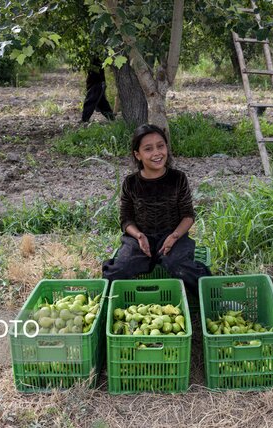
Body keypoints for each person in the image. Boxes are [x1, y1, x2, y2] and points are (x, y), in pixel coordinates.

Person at [102, 124, 211, 295]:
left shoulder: (177, 178)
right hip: (139, 239)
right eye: (148, 149)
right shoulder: (131, 183)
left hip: (172, 235)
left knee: (178, 265)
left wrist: (174, 236)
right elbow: (126, 219)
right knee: (119, 270)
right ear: (137, 155)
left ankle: (213, 298)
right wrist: (138, 235)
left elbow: (188, 216)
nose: (157, 153)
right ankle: (107, 303)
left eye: (160, 146)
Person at [81, 57, 115, 123]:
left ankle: (84, 120)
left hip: (96, 84)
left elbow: (98, 72)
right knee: (102, 103)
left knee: (90, 102)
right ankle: (111, 118)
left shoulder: (96, 59)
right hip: (96, 83)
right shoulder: (94, 59)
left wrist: (102, 82)